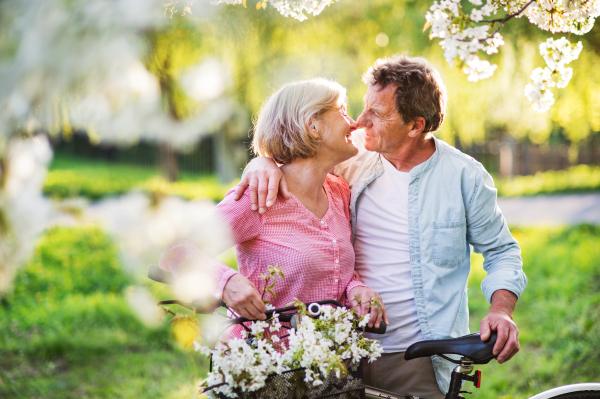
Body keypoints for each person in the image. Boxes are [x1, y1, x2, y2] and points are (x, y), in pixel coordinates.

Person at [234, 54, 528, 398]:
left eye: (377, 114)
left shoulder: (465, 177)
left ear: (415, 125)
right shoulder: (349, 156)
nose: (359, 121)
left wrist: (501, 310)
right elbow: (295, 150)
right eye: (363, 107)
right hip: (342, 350)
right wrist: (263, 163)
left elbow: (501, 251)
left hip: (420, 356)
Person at [159, 78, 388, 338]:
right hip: (263, 366)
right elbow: (175, 251)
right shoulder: (257, 198)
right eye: (342, 111)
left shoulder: (339, 192)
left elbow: (333, 270)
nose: (354, 123)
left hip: (327, 368)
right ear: (313, 125)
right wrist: (226, 283)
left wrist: (355, 288)